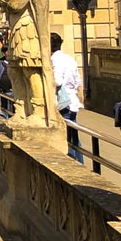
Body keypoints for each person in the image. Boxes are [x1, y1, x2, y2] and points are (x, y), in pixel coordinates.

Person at [50, 32, 84, 162]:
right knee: (74, 137)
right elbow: (77, 82)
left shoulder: (54, 61)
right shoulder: (70, 59)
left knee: (64, 137)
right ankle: (80, 163)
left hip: (62, 103)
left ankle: (73, 162)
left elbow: (57, 81)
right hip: (72, 102)